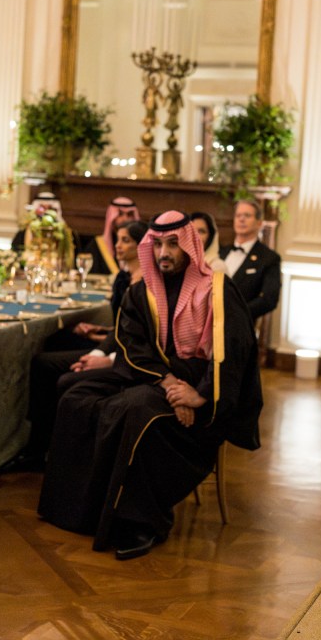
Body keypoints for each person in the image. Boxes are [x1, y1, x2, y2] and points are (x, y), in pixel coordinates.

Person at [37, 211, 262, 560]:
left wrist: (199, 395)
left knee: (137, 412)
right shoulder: (141, 292)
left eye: (173, 244)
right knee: (76, 395)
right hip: (153, 377)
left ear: (189, 246)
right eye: (157, 245)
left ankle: (141, 523)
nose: (164, 253)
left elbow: (233, 352)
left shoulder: (216, 289)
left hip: (204, 390)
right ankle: (79, 510)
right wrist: (172, 386)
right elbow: (133, 347)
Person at [21, 220, 148, 467]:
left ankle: (53, 453)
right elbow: (123, 327)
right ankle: (38, 443)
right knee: (52, 347)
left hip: (128, 361)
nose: (119, 245)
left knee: (56, 371)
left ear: (141, 245)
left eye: (126, 240)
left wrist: (102, 356)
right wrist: (100, 338)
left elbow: (136, 335)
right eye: (118, 239)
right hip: (116, 349)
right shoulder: (124, 278)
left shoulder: (145, 284)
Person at [219, 199, 281, 320]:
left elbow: (269, 300)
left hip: (241, 328)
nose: (241, 219)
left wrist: (238, 314)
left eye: (247, 215)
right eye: (238, 215)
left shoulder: (269, 258)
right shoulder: (221, 252)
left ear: (259, 223)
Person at [85, 196, 139, 275]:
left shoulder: (140, 245)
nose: (125, 219)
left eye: (129, 214)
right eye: (120, 214)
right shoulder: (97, 245)